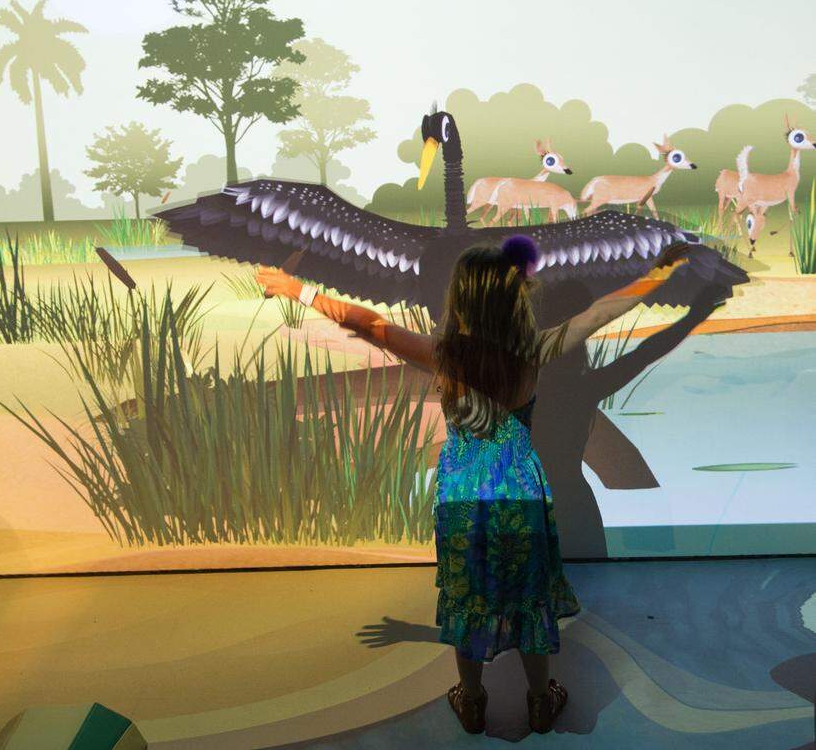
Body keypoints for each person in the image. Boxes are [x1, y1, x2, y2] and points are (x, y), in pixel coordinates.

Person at [256, 234, 692, 735]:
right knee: (528, 593)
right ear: (513, 298)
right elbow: (604, 312)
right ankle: (538, 700)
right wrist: (660, 272)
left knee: (468, 595)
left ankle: (472, 696)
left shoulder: (442, 352)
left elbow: (364, 321)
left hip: (463, 489)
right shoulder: (536, 348)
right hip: (520, 488)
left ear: (460, 297)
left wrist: (296, 290)